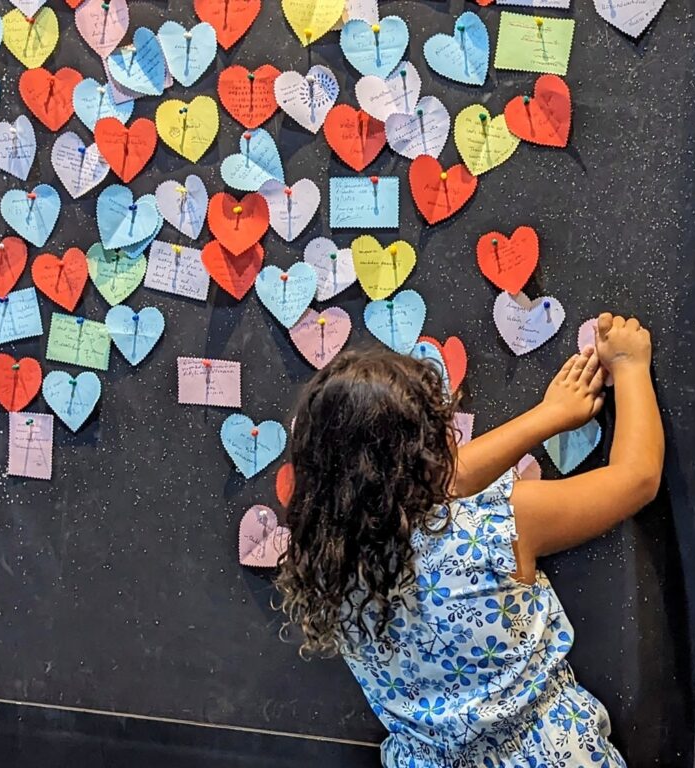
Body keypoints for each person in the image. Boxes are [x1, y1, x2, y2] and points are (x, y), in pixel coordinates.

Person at [276, 313, 664, 767]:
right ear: (428, 449)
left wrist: (546, 417)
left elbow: (442, 479)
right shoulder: (494, 528)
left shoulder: (328, 560)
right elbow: (636, 478)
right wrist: (629, 363)